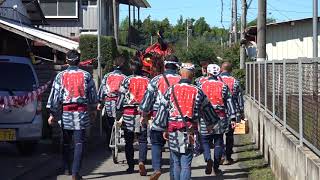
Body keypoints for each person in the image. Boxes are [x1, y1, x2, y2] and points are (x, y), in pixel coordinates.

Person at [153, 63, 219, 180]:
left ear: (180, 74)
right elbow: (208, 109)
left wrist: (163, 128)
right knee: (186, 163)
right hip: (189, 131)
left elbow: (162, 109)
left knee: (176, 161)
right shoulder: (197, 91)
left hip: (173, 130)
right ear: (192, 75)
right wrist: (210, 124)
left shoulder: (171, 90)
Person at [47, 49, 98, 180]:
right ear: (79, 60)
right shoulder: (86, 75)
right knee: (79, 143)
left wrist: (52, 113)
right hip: (81, 112)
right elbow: (92, 95)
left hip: (66, 113)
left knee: (65, 142)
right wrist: (93, 109)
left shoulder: (61, 76)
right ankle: (75, 172)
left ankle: (66, 168)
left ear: (66, 61)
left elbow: (55, 96)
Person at [139, 55, 181, 180]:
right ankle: (174, 173)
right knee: (174, 145)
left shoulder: (156, 79)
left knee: (156, 142)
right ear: (177, 65)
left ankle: (157, 168)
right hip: (176, 116)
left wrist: (144, 114)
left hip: (158, 115)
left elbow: (148, 100)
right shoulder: (181, 79)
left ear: (165, 65)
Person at [199, 64, 236, 175]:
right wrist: (233, 117)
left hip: (205, 117)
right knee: (218, 141)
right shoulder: (223, 86)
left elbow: (197, 102)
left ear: (208, 73)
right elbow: (229, 102)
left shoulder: (201, 85)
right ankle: (216, 167)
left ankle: (207, 158)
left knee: (204, 140)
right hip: (220, 117)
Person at [116, 57, 150, 175]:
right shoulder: (147, 81)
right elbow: (151, 98)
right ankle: (141, 162)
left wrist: (118, 111)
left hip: (128, 113)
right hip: (142, 114)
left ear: (132, 68)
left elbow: (120, 96)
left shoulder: (126, 80)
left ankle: (131, 166)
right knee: (142, 140)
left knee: (128, 141)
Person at [97, 56, 127, 148]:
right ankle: (120, 140)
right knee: (120, 123)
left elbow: (102, 89)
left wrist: (99, 102)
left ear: (113, 65)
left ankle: (108, 143)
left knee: (109, 124)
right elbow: (126, 92)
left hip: (108, 103)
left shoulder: (107, 76)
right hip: (120, 104)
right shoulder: (125, 78)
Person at [219, 62, 244, 165]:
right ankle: (227, 157)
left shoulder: (217, 80)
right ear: (231, 70)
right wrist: (241, 112)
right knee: (229, 136)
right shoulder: (235, 81)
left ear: (221, 69)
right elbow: (239, 98)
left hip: (218, 113)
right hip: (232, 113)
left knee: (219, 136)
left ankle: (220, 155)